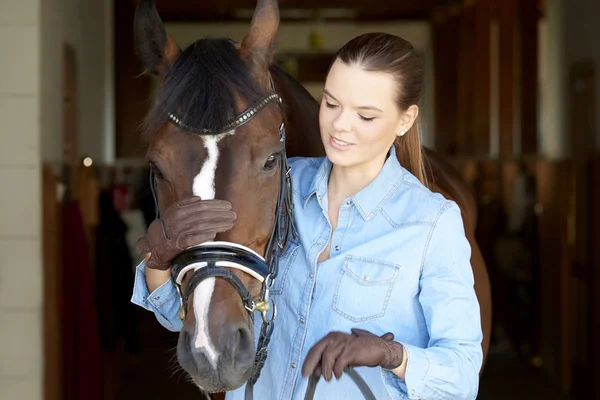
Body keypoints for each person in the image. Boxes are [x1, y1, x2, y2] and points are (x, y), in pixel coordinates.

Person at [132, 33, 483, 399]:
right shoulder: (274, 185)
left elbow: (461, 376)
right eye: (331, 104)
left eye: (365, 115)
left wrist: (393, 355)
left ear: (404, 120)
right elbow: (193, 318)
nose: (341, 126)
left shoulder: (432, 222)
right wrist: (159, 263)